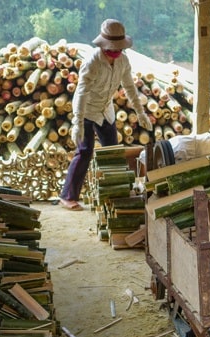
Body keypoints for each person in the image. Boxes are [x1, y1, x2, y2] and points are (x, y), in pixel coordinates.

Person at [59, 19, 152, 211]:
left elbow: (129, 88)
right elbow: (81, 91)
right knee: (84, 151)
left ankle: (114, 193)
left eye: (118, 49)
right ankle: (68, 196)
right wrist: (77, 122)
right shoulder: (92, 61)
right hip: (87, 109)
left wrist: (140, 112)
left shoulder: (123, 61)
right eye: (112, 49)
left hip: (106, 110)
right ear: (103, 45)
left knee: (112, 152)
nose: (115, 53)